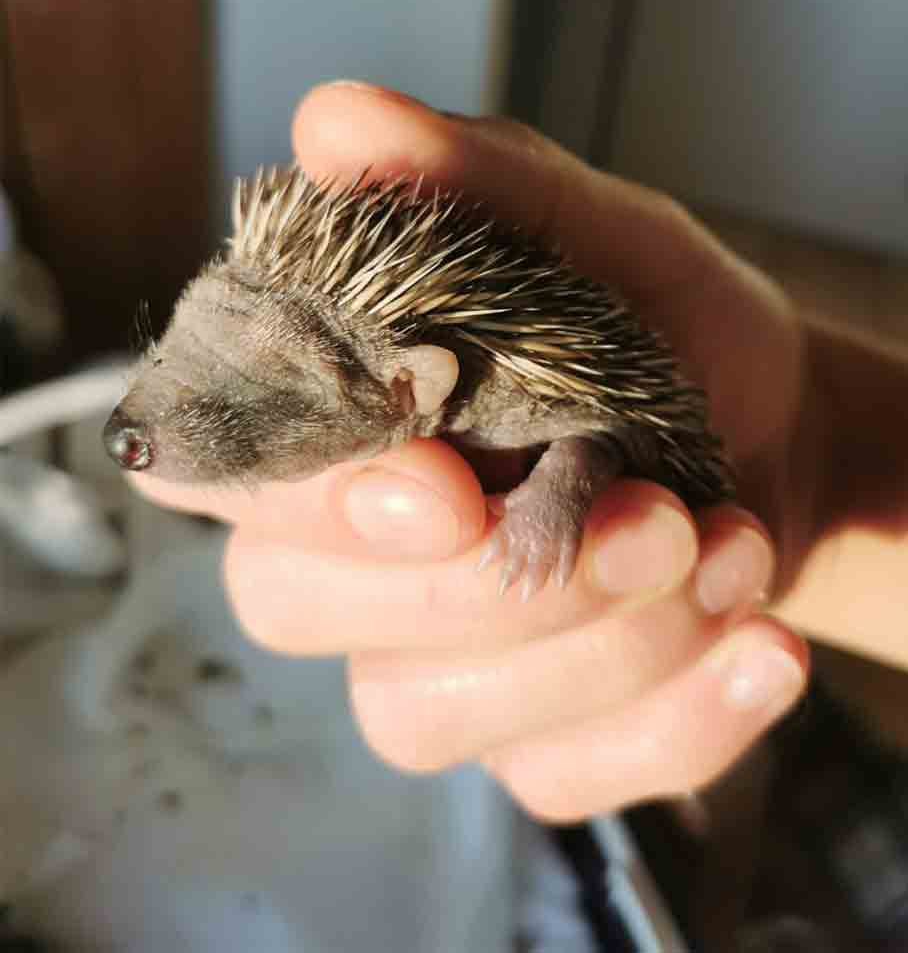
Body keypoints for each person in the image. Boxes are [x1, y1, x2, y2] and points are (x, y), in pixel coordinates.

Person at [134, 80, 908, 822]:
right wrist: (820, 454)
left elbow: (603, 432)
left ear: (411, 387)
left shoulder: (518, 390)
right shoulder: (394, 370)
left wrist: (554, 499)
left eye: (246, 402)